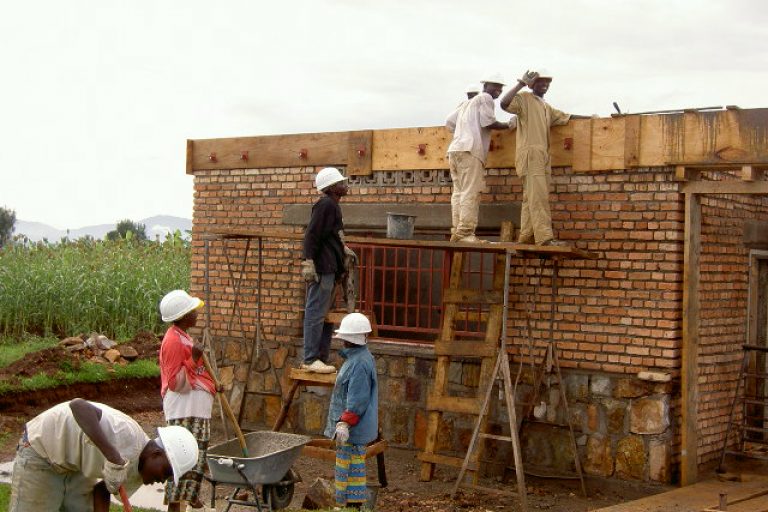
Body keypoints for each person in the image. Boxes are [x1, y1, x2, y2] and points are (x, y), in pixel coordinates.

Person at [9, 398, 198, 512]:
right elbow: (79, 406)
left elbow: (102, 490)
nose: (162, 480)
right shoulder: (126, 433)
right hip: (42, 452)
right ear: (156, 453)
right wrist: (112, 456)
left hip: (75, 466)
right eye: (166, 472)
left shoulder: (140, 469)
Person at [500, 69, 591, 246]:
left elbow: (567, 116)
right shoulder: (524, 98)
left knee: (530, 198)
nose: (545, 85)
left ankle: (526, 236)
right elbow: (504, 104)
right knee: (538, 197)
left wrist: (593, 118)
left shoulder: (545, 106)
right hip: (531, 154)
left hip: (542, 156)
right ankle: (545, 238)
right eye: (541, 82)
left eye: (547, 82)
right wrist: (521, 83)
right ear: (532, 83)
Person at [158, 289, 216, 512]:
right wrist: (193, 358)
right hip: (184, 411)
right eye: (192, 310)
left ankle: (189, 497)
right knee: (181, 459)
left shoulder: (183, 336)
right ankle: (176, 505)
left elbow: (196, 371)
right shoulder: (173, 341)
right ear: (183, 316)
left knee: (195, 458)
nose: (196, 313)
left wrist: (212, 384)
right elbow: (174, 382)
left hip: (195, 409)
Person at [445, 73, 516, 243]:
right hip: (470, 150)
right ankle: (465, 233)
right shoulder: (485, 97)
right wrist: (509, 125)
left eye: (500, 87)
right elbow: (489, 123)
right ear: (485, 86)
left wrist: (465, 130)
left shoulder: (466, 103)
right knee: (471, 191)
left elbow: (449, 122)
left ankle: (457, 229)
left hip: (455, 150)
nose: (498, 90)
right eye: (495, 86)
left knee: (459, 192)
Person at [301, 167, 357, 373]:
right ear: (332, 187)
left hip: (330, 270)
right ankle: (309, 359)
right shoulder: (325, 205)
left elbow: (329, 237)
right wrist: (308, 261)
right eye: (341, 182)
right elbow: (311, 235)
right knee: (315, 313)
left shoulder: (332, 206)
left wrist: (343, 249)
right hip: (323, 269)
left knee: (324, 315)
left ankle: (320, 358)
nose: (345, 185)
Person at [324, 313, 379, 509]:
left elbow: (358, 400)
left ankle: (349, 506)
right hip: (351, 428)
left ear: (349, 339)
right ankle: (349, 506)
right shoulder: (359, 358)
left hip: (352, 430)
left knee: (350, 471)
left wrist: (344, 423)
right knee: (351, 470)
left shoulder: (359, 363)